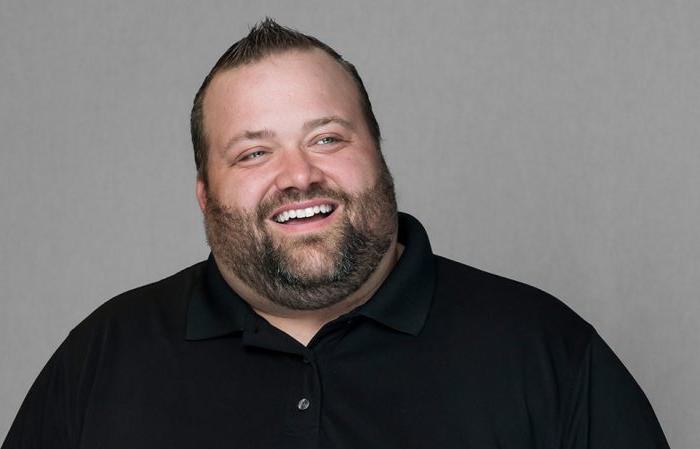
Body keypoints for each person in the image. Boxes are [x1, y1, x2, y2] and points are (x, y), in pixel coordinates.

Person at [2, 19, 670, 449]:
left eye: (327, 137)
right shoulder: (101, 361)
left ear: (377, 155)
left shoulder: (547, 352)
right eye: (253, 152)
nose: (299, 175)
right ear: (205, 196)